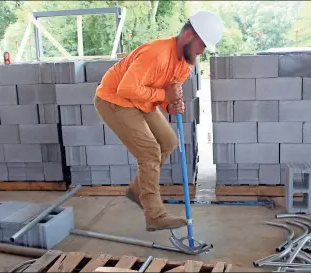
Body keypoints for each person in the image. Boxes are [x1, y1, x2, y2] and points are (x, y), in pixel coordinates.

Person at [94, 11, 224, 232]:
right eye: (201, 44)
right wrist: (165, 97)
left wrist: (170, 105)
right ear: (189, 35)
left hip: (141, 100)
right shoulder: (156, 53)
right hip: (114, 100)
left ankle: (138, 190)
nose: (202, 51)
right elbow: (126, 88)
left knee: (169, 142)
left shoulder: (186, 62)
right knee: (150, 152)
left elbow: (166, 94)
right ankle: (154, 215)